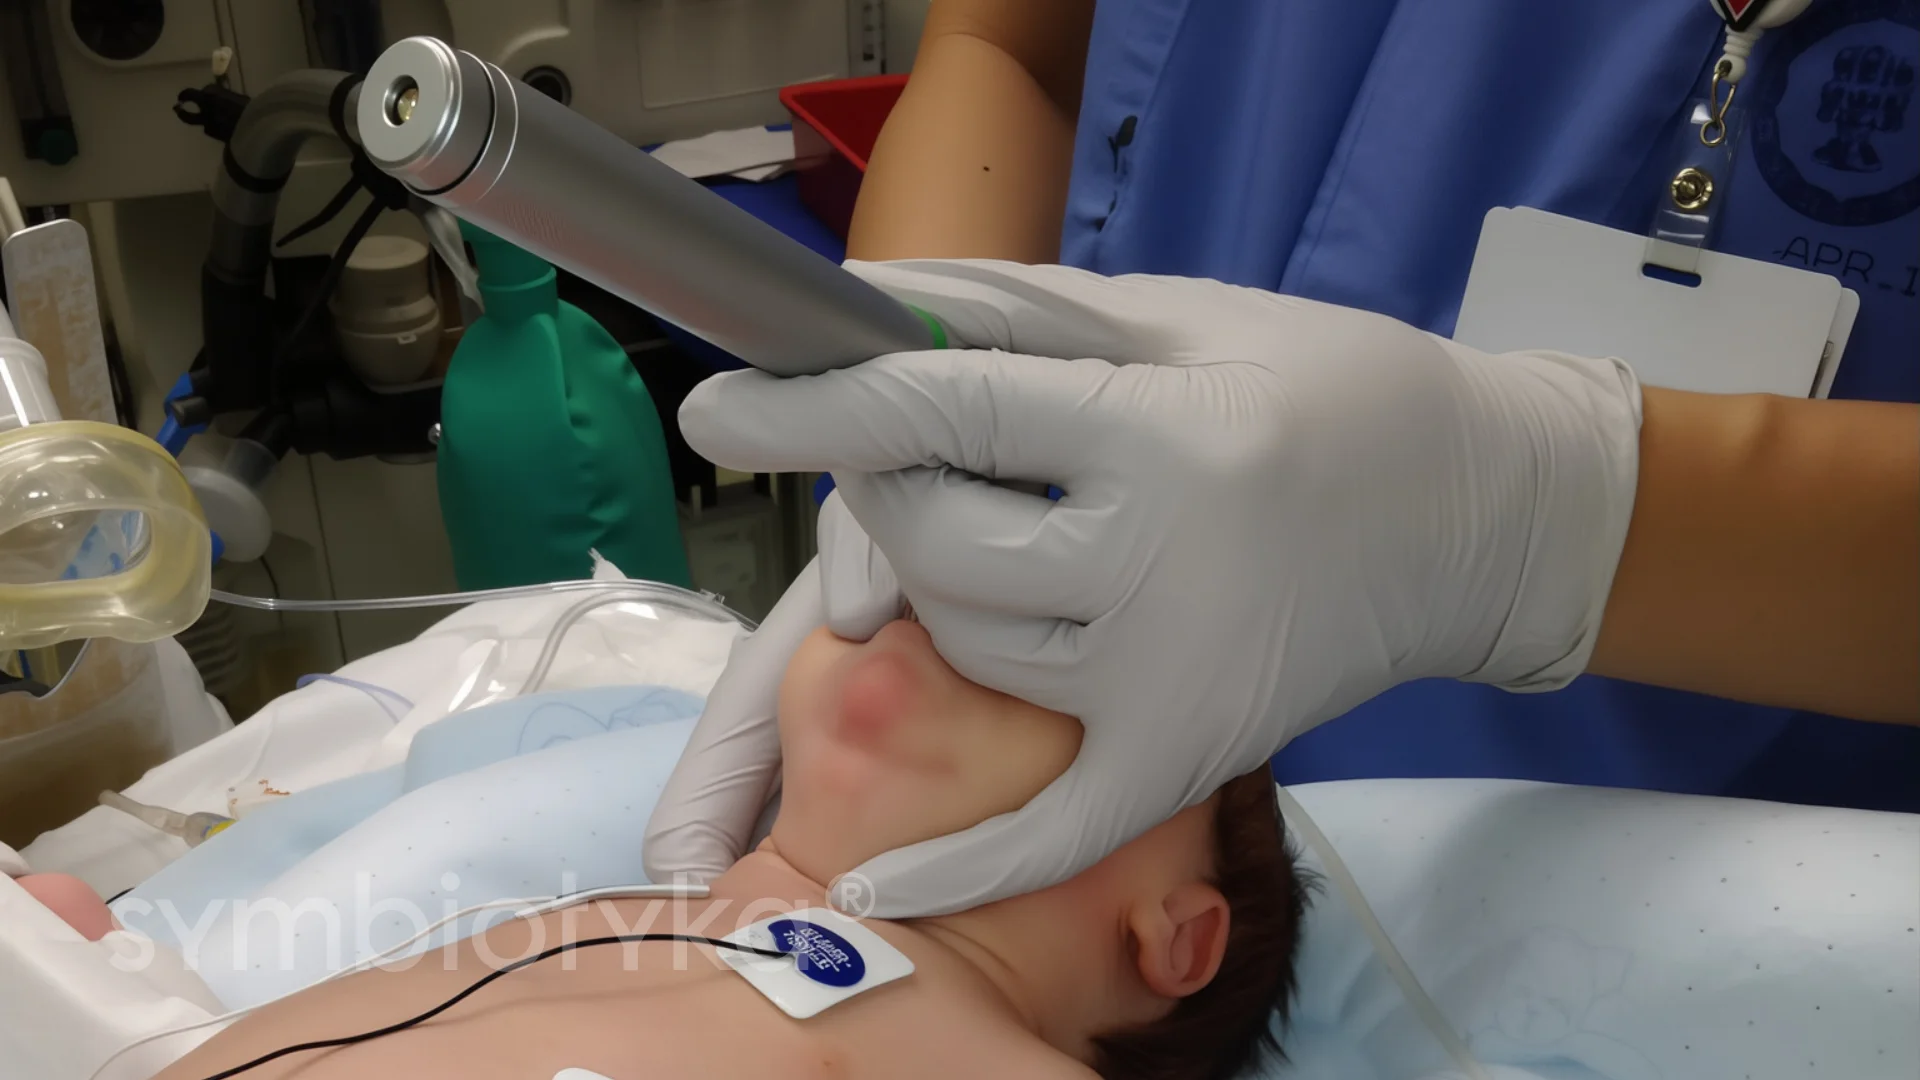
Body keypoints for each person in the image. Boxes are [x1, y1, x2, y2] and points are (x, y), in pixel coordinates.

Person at [644, 0, 1920, 919]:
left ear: (1177, 945)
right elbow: (1009, 47)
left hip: (1667, 857)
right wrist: (928, 374)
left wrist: (1540, 520)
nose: (918, 648)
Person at [152, 613, 1310, 1080]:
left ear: (1177, 937)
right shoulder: (628, 910)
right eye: (913, 596)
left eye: (1070, 649)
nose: (945, 617)